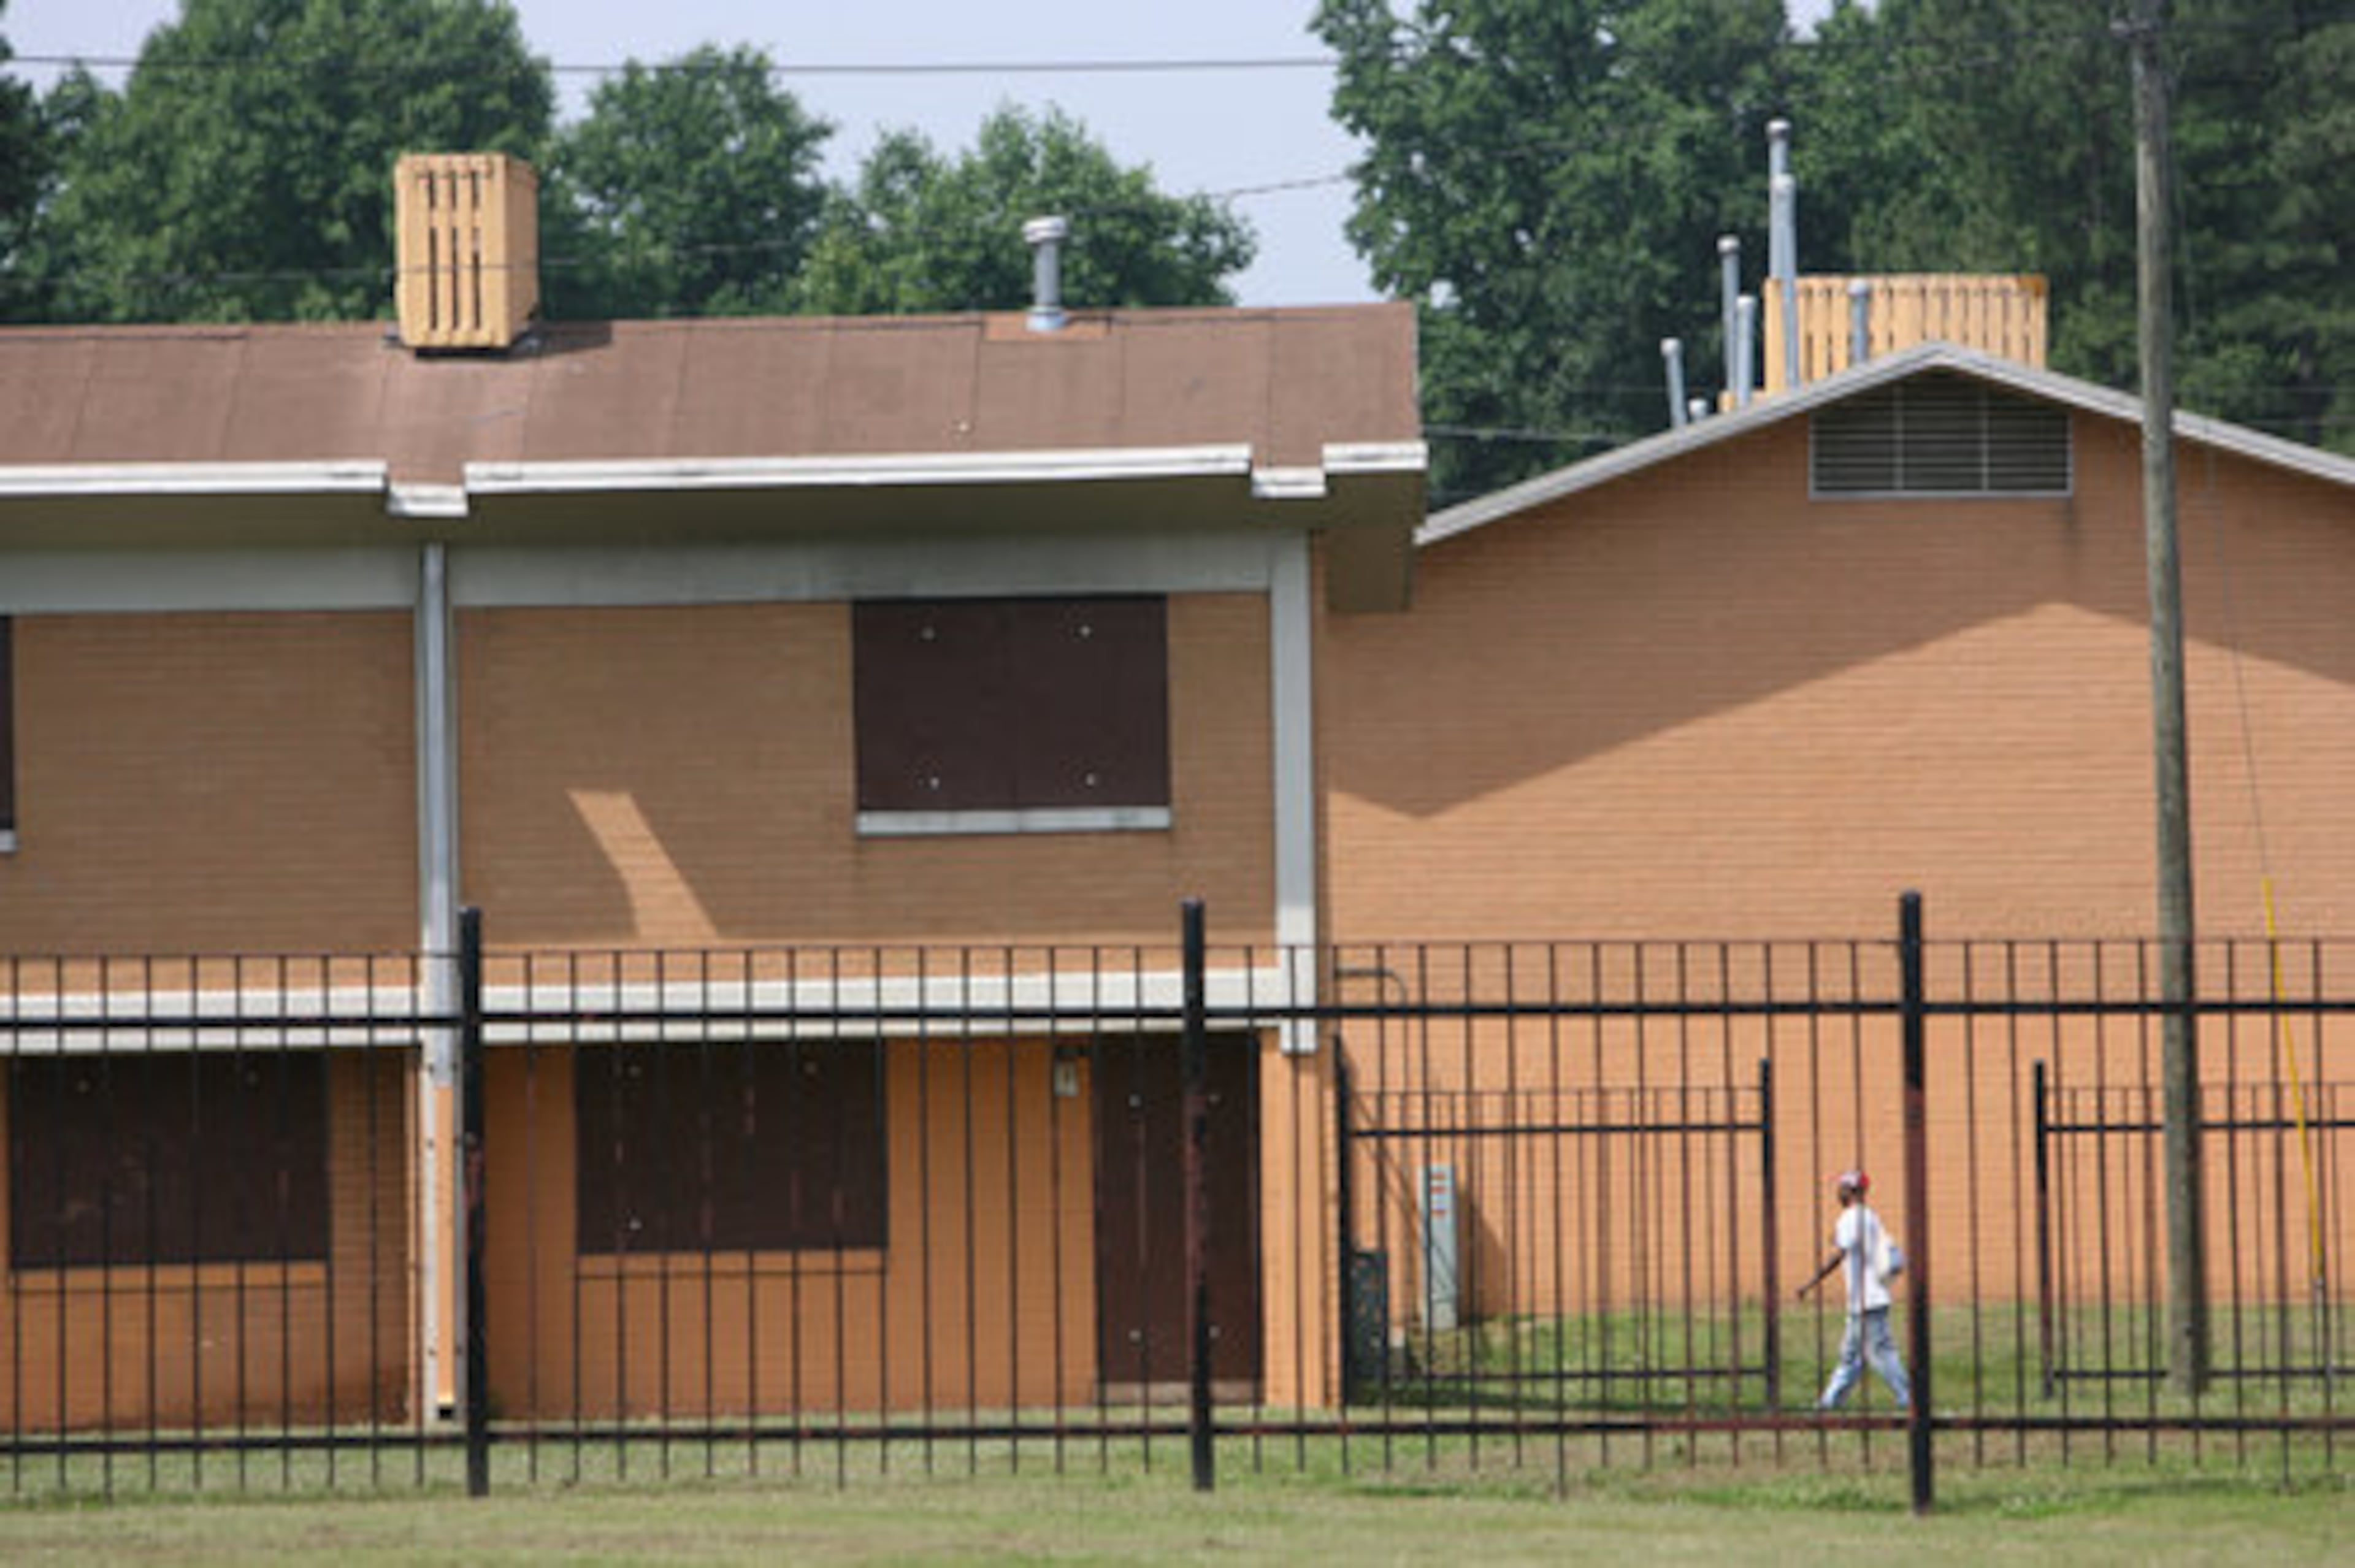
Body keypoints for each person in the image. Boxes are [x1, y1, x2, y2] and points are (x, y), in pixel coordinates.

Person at [1795, 1169, 1910, 1411]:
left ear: (1851, 1190)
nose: (1839, 1192)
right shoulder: (1869, 1216)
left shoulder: (1850, 1218)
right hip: (1869, 1297)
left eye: (1843, 1188)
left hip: (1867, 1299)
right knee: (1851, 1357)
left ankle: (1909, 1399)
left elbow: (1839, 1254)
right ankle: (1830, 1402)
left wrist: (1810, 1283)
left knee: (1881, 1354)